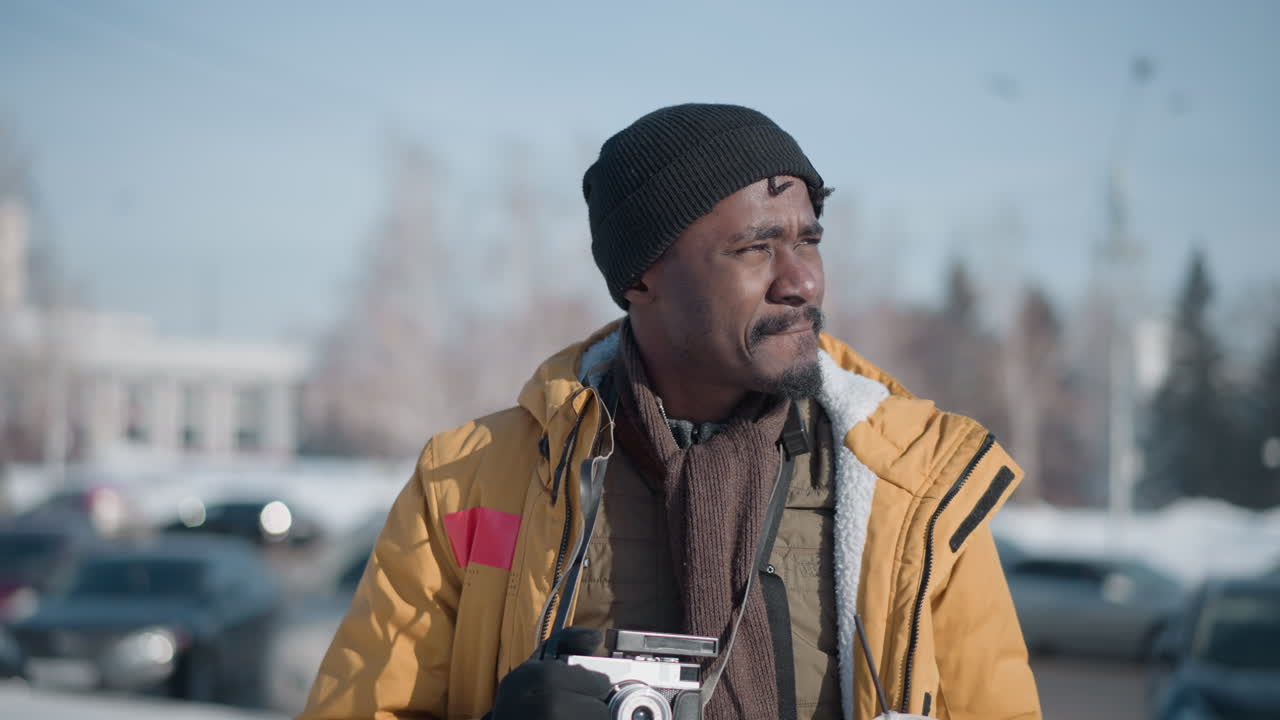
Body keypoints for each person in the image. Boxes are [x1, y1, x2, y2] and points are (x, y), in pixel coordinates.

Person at [299, 104, 1041, 720]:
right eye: (756, 247)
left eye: (809, 240)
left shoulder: (909, 489)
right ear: (641, 279)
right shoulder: (468, 485)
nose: (804, 281)